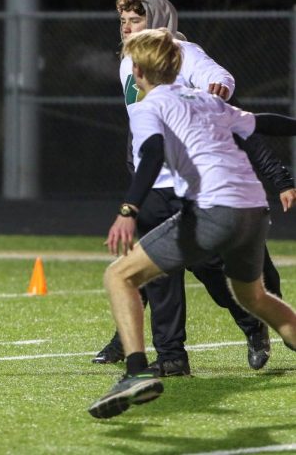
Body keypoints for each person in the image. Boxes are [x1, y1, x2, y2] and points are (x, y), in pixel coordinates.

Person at [88, 28, 296, 419]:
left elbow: (149, 154)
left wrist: (128, 210)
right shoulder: (204, 99)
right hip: (254, 211)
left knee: (120, 276)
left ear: (138, 70)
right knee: (255, 299)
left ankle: (135, 373)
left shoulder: (150, 106)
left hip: (214, 210)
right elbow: (263, 122)